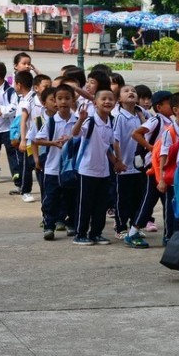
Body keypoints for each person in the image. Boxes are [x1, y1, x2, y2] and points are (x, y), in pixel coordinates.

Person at [71, 89, 127, 246]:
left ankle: (96, 233)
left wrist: (116, 161)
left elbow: (108, 146)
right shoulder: (90, 121)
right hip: (87, 169)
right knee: (85, 203)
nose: (107, 101)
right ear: (95, 103)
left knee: (100, 204)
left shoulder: (110, 122)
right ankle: (80, 234)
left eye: (110, 99)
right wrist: (80, 120)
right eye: (103, 99)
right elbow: (75, 134)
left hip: (103, 171)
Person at [34, 84, 79, 240]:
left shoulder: (78, 121)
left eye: (67, 98)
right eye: (59, 98)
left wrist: (71, 139)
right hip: (52, 168)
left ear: (73, 100)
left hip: (71, 169)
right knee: (51, 199)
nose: (63, 102)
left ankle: (71, 223)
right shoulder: (52, 122)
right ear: (55, 101)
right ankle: (49, 226)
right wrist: (53, 143)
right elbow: (38, 140)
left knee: (71, 197)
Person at [129, 90, 173, 242]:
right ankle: (133, 231)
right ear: (159, 107)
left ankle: (169, 234)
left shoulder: (170, 123)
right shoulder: (156, 121)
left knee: (167, 201)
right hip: (153, 165)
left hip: (164, 166)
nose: (173, 107)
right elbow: (136, 133)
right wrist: (151, 148)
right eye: (170, 104)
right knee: (149, 199)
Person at [113, 85, 149, 247]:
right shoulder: (119, 117)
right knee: (123, 199)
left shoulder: (141, 114)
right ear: (119, 99)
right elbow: (116, 141)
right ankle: (120, 227)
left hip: (140, 165)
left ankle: (135, 226)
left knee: (138, 198)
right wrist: (118, 161)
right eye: (126, 91)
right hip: (125, 165)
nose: (131, 92)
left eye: (133, 91)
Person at [12, 71, 37, 202]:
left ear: (19, 85)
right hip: (31, 138)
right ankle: (24, 188)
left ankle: (25, 190)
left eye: (14, 83)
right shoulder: (30, 98)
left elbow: (23, 121)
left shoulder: (28, 100)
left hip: (29, 139)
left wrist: (22, 139)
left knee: (27, 166)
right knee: (29, 165)